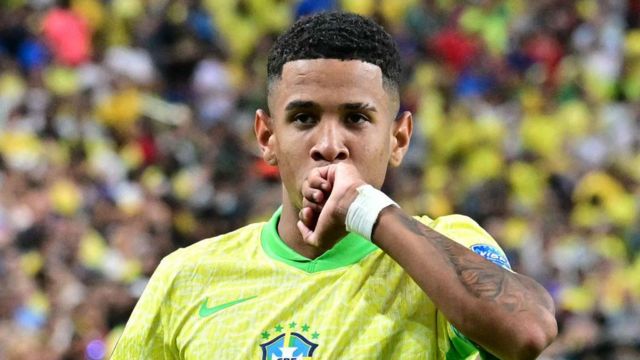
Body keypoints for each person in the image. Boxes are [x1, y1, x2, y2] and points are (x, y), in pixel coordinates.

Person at [111, 12, 557, 359]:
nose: (329, 145)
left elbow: (527, 333)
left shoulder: (442, 251)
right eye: (304, 118)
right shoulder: (187, 277)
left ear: (398, 138)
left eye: (356, 119)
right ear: (267, 137)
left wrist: (368, 211)